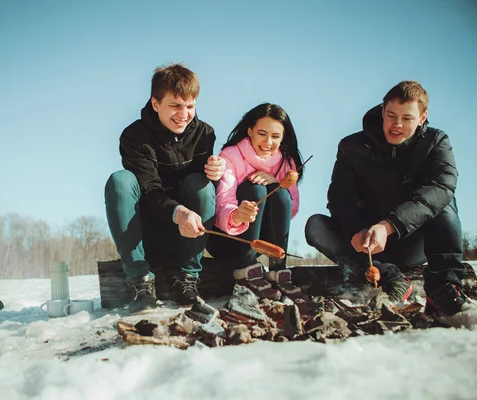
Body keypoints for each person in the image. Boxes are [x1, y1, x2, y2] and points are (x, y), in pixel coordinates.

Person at [305, 80, 477, 328]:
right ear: (382, 111)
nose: (397, 125)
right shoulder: (351, 147)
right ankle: (393, 279)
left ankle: (444, 293)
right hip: (368, 249)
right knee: (315, 226)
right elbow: (339, 197)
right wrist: (355, 229)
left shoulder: (436, 142)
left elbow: (441, 187)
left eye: (407, 118)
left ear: (421, 118)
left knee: (443, 201)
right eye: (391, 116)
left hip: (414, 242)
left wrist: (388, 225)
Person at [104, 63, 226, 314]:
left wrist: (217, 174)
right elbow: (149, 189)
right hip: (146, 233)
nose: (184, 114)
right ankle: (140, 281)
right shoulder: (134, 136)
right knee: (120, 180)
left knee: (201, 185)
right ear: (155, 103)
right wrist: (179, 212)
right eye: (175, 105)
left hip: (187, 237)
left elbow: (204, 194)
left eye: (190, 106)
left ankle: (188, 277)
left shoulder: (205, 134)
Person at [206, 103, 305, 301]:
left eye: (275, 136)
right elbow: (221, 203)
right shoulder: (231, 155)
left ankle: (278, 270)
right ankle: (246, 270)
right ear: (250, 131)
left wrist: (277, 184)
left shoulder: (287, 162)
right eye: (262, 133)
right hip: (228, 239)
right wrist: (236, 215)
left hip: (263, 241)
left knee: (281, 193)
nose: (268, 142)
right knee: (257, 188)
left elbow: (291, 208)